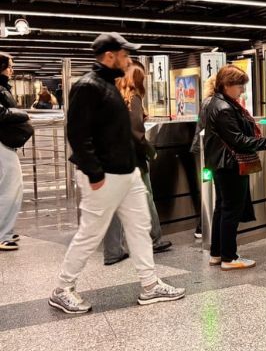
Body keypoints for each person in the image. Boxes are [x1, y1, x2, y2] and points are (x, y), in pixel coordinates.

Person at [50, 32, 185, 314]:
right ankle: (62, 288)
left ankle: (150, 285)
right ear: (110, 56)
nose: (128, 60)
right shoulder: (88, 86)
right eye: (124, 55)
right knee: (90, 232)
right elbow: (77, 134)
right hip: (105, 175)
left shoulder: (110, 85)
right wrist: (94, 173)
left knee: (139, 227)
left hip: (127, 172)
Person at [204, 65, 266, 271]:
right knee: (231, 210)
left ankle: (217, 253)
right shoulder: (225, 108)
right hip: (231, 164)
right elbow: (238, 140)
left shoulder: (215, 102)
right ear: (227, 85)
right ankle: (229, 257)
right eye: (239, 85)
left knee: (222, 208)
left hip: (220, 163)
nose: (242, 90)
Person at [103, 61, 172, 265]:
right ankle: (154, 239)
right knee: (146, 197)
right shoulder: (133, 99)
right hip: (131, 159)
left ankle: (113, 251)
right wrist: (151, 152)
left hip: (111, 159)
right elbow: (135, 133)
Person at [0, 51, 26, 251]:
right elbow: (2, 114)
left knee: (7, 187)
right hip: (2, 143)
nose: (12, 69)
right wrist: (23, 114)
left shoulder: (3, 87)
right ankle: (3, 235)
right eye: (9, 66)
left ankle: (4, 230)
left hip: (5, 141)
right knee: (11, 187)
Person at [190, 77, 216, 239]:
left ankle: (205, 225)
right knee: (207, 186)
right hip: (205, 149)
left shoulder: (207, 101)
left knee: (208, 185)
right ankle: (202, 226)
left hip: (202, 148)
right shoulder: (211, 103)